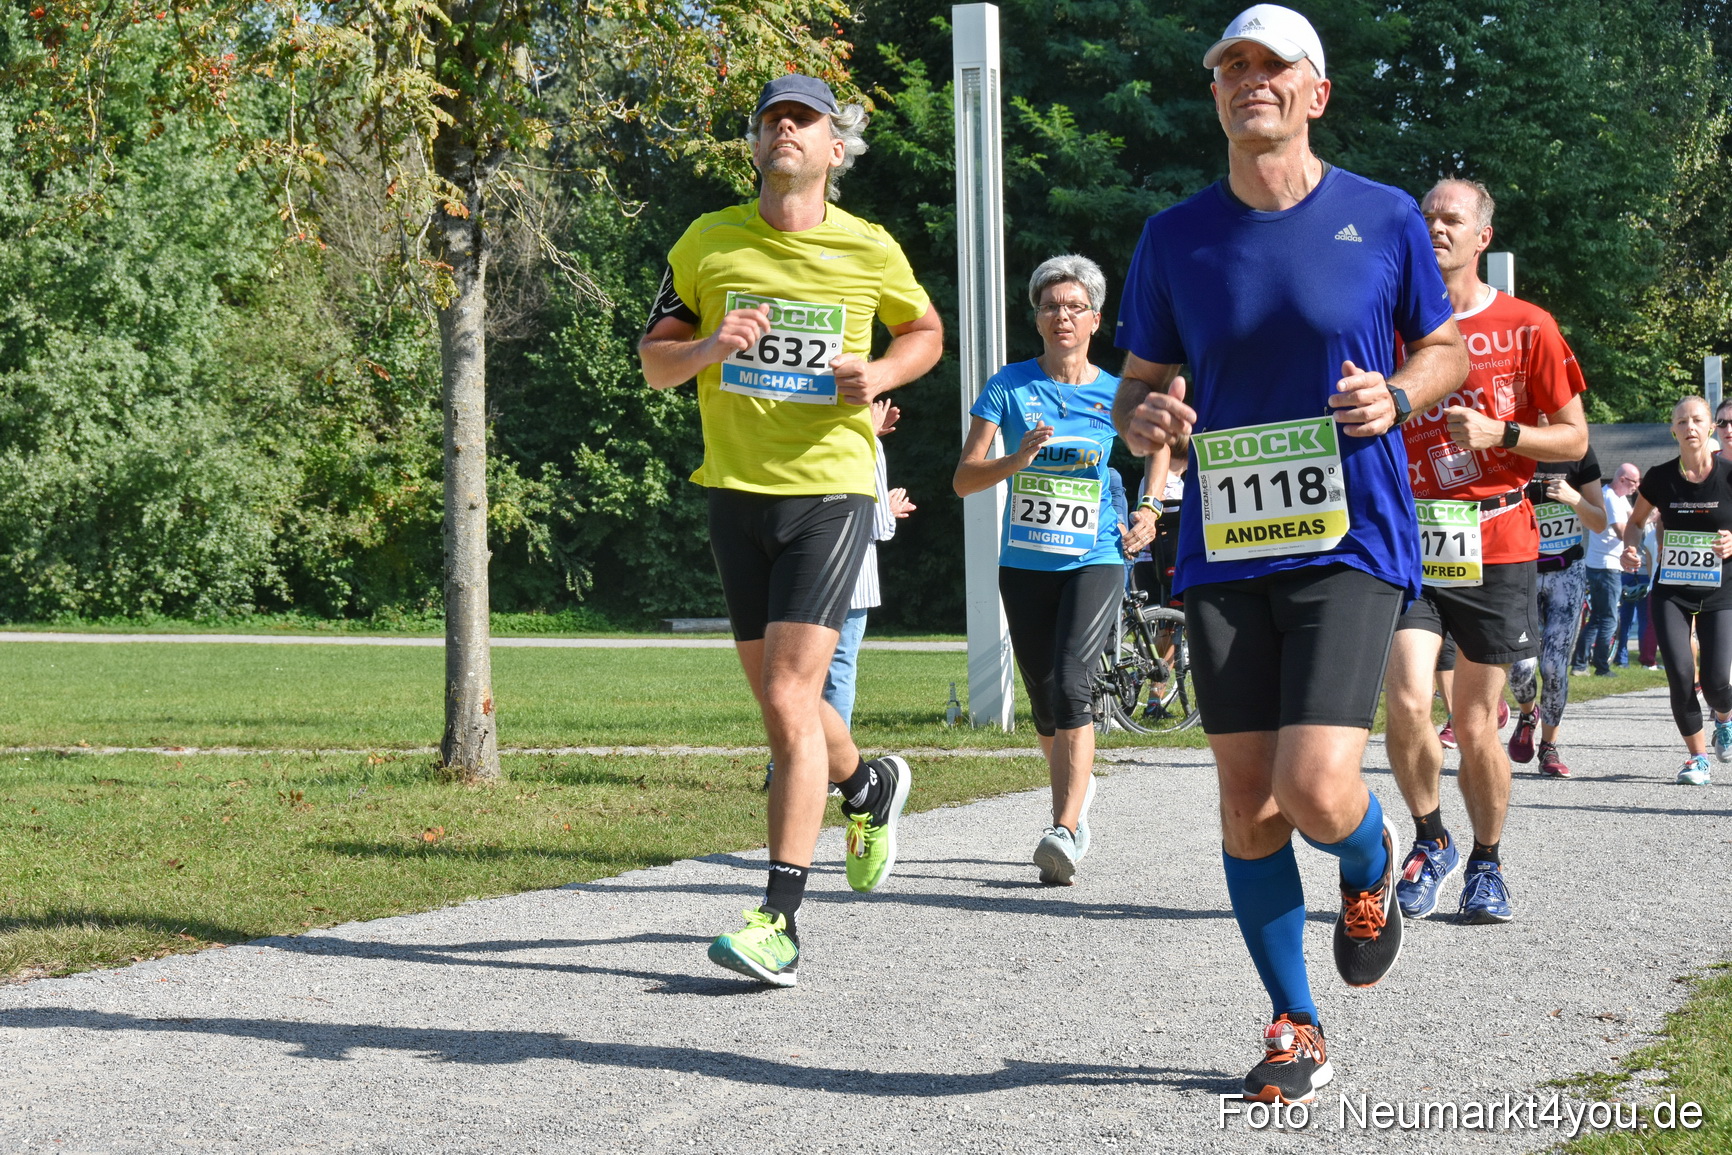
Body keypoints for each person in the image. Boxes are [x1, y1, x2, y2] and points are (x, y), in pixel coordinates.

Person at [1111, 5, 1469, 1104]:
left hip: (1349, 533)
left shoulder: (1384, 215)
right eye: (1231, 68)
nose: (1248, 82)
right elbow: (1136, 385)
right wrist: (1144, 424)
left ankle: (1368, 868)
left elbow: (1443, 348)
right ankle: (1294, 1022)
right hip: (1224, 544)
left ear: (1315, 93)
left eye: (1272, 68)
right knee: (1247, 805)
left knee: (1316, 787)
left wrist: (1397, 393)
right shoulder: (1175, 236)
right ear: (1215, 93)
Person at [638, 73, 943, 986]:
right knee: (792, 708)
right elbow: (655, 365)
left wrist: (881, 376)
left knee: (785, 698)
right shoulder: (707, 241)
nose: (786, 129)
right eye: (773, 117)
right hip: (735, 492)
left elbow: (924, 330)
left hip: (831, 492)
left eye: (805, 120)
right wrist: (710, 348)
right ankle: (868, 785)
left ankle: (779, 919)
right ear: (756, 142)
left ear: (834, 149)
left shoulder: (869, 247)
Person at [1383, 178, 1588, 927]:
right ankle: (1431, 838)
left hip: (1496, 539)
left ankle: (1487, 861)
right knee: (1406, 697)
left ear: (1481, 238)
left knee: (1474, 723)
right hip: (1409, 538)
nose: (1436, 227)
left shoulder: (1527, 325)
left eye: (1452, 218)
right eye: (1426, 217)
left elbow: (1575, 438)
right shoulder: (1390, 324)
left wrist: (1503, 435)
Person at [955, 254, 1157, 886]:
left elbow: (1160, 450)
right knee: (1045, 695)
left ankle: (1065, 827)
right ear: (1036, 316)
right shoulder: (1008, 386)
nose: (1061, 317)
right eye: (1050, 306)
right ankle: (1078, 788)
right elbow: (964, 479)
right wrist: (1018, 458)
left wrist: (1149, 507)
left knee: (1072, 682)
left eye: (1074, 308)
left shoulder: (1117, 392)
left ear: (1095, 320)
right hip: (1025, 561)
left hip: (1094, 555)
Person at [1622, 396, 1732, 787]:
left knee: (1719, 683)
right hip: (1672, 590)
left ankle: (1724, 718)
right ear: (1673, 430)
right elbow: (1635, 523)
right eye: (1682, 421)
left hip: (1721, 591)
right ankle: (1697, 758)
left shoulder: (1729, 475)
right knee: (1681, 675)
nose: (1690, 427)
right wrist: (1630, 547)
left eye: (1697, 420)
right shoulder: (1659, 477)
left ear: (1709, 428)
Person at [1506, 438, 1608, 778]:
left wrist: (1573, 498)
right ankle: (1527, 713)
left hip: (1568, 573)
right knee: (1520, 668)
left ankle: (1549, 747)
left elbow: (1599, 521)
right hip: (1524, 572)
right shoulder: (1512, 446)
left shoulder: (1578, 452)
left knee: (1553, 667)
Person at [1574, 463, 1640, 675]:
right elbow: (1623, 532)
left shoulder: (1618, 498)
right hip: (1606, 567)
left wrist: (1651, 512)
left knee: (1596, 618)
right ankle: (1602, 666)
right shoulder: (1610, 498)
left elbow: (1637, 519)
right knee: (1610, 619)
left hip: (1602, 565)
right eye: (1633, 482)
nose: (1636, 488)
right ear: (1622, 479)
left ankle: (1579, 664)